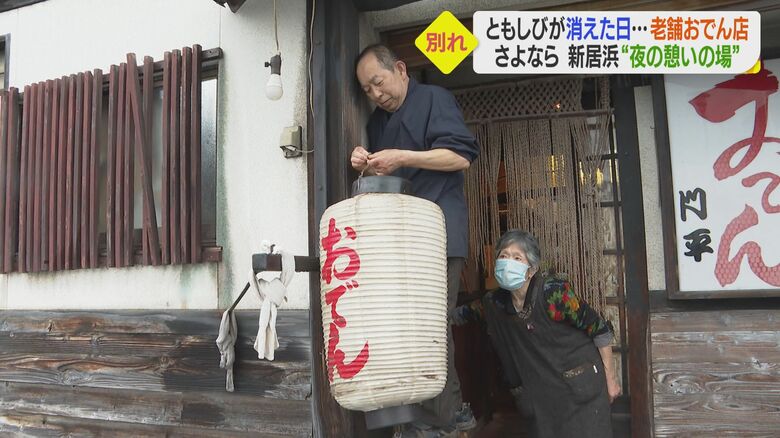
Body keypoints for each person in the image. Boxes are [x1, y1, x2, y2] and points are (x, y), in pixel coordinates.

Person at [352, 44, 480, 437]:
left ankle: (443, 419)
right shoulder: (377, 122)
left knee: (431, 326)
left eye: (378, 82)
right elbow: (380, 168)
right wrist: (361, 159)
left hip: (438, 231)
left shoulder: (433, 99)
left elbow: (460, 157)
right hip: (399, 240)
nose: (376, 94)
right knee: (402, 325)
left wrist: (404, 157)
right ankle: (433, 414)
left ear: (401, 69)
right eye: (367, 90)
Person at [451, 229, 621, 438]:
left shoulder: (553, 293)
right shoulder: (494, 302)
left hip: (579, 390)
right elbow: (461, 314)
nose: (507, 262)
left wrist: (611, 379)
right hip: (543, 397)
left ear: (531, 270)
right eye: (503, 256)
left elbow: (599, 329)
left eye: (517, 257)